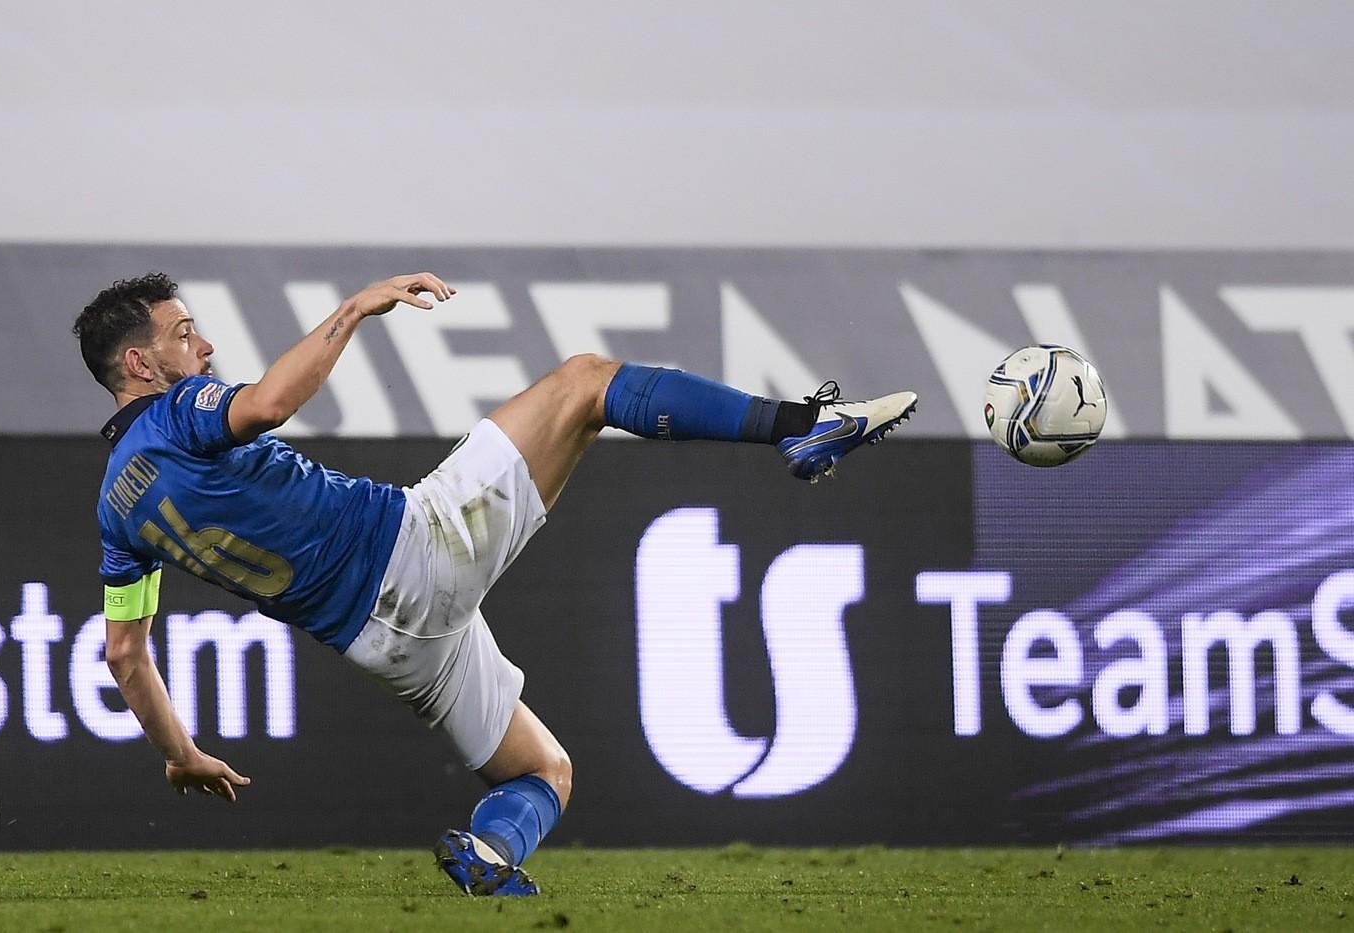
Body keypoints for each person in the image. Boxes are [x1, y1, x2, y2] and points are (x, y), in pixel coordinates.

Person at [73, 270, 917, 896]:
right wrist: (355, 308)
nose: (205, 345)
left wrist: (180, 753)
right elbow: (264, 405)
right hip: (413, 551)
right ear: (141, 361)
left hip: (384, 644)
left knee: (544, 772)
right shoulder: (175, 413)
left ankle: (492, 853)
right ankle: (803, 427)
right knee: (585, 382)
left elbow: (124, 651)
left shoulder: (117, 508)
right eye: (186, 333)